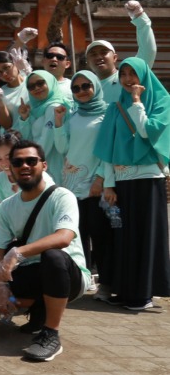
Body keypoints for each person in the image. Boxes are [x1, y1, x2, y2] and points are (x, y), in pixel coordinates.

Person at [0, 141, 90, 362]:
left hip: (67, 275)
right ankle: (37, 305)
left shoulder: (62, 196)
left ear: (44, 165)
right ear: (10, 168)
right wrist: (0, 286)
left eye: (31, 161)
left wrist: (19, 252)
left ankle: (51, 334)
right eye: (17, 162)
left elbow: (64, 237)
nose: (24, 166)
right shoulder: (7, 205)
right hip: (31, 271)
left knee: (53, 257)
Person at [91, 58, 170, 312]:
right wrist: (109, 184)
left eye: (132, 74)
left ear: (144, 76)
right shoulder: (115, 108)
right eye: (123, 74)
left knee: (146, 236)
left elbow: (147, 132)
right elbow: (107, 150)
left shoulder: (162, 102)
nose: (127, 79)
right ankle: (126, 291)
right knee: (123, 237)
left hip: (148, 180)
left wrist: (137, 103)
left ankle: (144, 294)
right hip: (122, 182)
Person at [54, 70, 113, 287]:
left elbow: (109, 149)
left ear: (96, 86)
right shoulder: (73, 115)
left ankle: (106, 284)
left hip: (96, 184)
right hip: (71, 183)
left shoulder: (108, 114)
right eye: (76, 88)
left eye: (86, 86)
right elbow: (62, 147)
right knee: (78, 234)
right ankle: (82, 280)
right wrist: (59, 122)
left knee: (100, 234)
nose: (82, 91)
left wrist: (100, 178)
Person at [84, 0, 158, 105]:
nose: (99, 57)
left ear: (115, 57)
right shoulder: (83, 88)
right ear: (87, 61)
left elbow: (148, 50)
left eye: (104, 52)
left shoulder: (128, 78)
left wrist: (140, 18)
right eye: (93, 54)